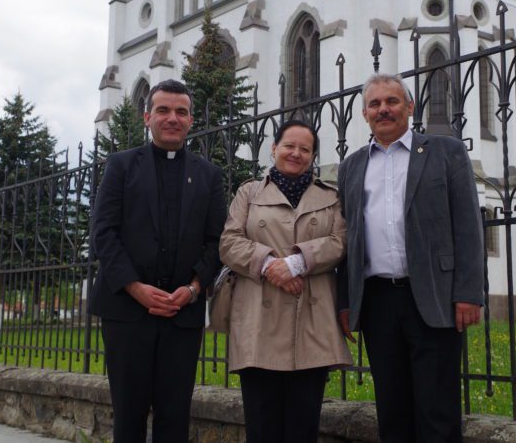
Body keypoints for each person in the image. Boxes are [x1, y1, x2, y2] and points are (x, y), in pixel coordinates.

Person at [337, 73, 484, 442]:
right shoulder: (351, 166)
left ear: (410, 106)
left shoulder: (446, 152)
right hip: (377, 301)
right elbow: (346, 238)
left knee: (437, 411)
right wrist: (345, 300)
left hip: (434, 296)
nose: (383, 109)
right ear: (364, 114)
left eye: (392, 101)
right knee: (392, 409)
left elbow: (468, 225)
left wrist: (468, 292)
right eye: (375, 104)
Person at [88, 79, 226, 443]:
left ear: (191, 120)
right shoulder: (121, 166)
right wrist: (135, 288)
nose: (172, 118)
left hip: (182, 313)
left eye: (181, 111)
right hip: (126, 311)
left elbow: (216, 241)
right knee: (128, 415)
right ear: (147, 117)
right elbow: (103, 232)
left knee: (175, 415)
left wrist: (193, 289)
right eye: (163, 110)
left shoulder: (209, 175)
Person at [219, 120, 352, 443]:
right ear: (274, 148)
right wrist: (270, 266)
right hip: (258, 324)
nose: (296, 153)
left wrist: (297, 263)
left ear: (313, 156)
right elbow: (229, 242)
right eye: (289, 146)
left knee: (302, 427)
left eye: (305, 149)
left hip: (311, 323)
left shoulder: (330, 196)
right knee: (261, 426)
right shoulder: (249, 193)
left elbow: (342, 241)